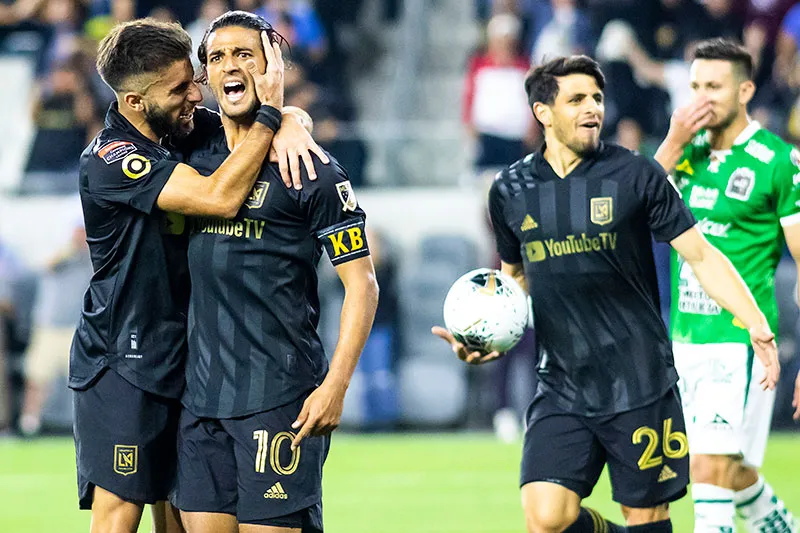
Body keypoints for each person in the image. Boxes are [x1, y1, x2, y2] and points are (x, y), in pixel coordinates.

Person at [433, 55, 781, 533]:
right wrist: (483, 337)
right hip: (562, 383)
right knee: (545, 517)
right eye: (576, 99)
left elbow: (701, 256)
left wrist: (755, 322)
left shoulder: (635, 174)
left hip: (640, 382)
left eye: (596, 98)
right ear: (543, 112)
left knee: (647, 519)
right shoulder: (509, 190)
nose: (592, 108)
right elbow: (514, 279)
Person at [70, 18, 324, 533]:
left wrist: (294, 119)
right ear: (137, 102)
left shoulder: (184, 131)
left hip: (192, 359)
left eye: (193, 78)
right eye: (180, 88)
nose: (197, 93)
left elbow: (251, 125)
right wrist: (276, 115)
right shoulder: (111, 158)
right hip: (125, 360)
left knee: (182, 518)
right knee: (119, 516)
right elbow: (219, 198)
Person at [172, 11, 379, 533]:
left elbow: (362, 284)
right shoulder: (190, 157)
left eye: (245, 54)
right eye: (216, 58)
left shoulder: (311, 169)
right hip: (200, 401)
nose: (230, 66)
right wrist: (286, 117)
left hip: (279, 398)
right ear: (205, 78)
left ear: (272, 66)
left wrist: (336, 385)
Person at [654, 38, 800, 533]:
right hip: (684, 337)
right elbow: (634, 201)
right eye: (695, 86)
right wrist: (673, 141)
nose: (701, 97)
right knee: (732, 473)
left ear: (746, 91)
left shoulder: (778, 161)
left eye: (714, 86)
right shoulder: (686, 154)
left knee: (708, 470)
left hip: (742, 342)